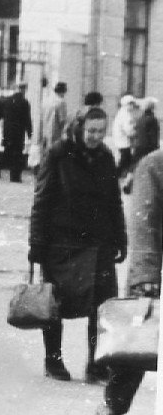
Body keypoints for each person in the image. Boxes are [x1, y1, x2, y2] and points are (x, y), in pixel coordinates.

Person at [28, 107, 126, 383]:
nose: (96, 136)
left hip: (98, 244)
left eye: (100, 131)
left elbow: (114, 202)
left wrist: (121, 238)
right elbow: (42, 200)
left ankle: (97, 365)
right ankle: (53, 360)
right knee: (55, 303)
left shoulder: (106, 157)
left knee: (102, 305)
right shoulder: (59, 154)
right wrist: (36, 243)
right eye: (91, 131)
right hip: (62, 244)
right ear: (79, 128)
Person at [110, 146, 163, 415]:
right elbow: (143, 222)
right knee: (138, 346)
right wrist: (145, 275)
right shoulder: (155, 165)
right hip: (154, 270)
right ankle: (112, 408)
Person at [0, 82, 34, 182]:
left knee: (8, 151)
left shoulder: (7, 101)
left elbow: (3, 115)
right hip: (19, 131)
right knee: (17, 153)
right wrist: (29, 132)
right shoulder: (25, 102)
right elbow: (27, 118)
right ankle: (15, 176)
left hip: (8, 130)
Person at [38, 82, 69, 166]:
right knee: (53, 155)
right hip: (54, 132)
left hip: (44, 131)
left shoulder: (46, 100)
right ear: (63, 91)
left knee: (44, 154)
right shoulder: (61, 102)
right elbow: (62, 120)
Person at [112, 94, 138, 177]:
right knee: (125, 159)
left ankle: (122, 174)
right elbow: (128, 129)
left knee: (126, 158)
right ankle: (116, 174)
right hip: (123, 140)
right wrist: (135, 133)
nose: (132, 106)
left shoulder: (122, 113)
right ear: (126, 104)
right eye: (131, 104)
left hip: (121, 139)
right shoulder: (125, 114)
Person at [133, 98, 159, 169]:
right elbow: (153, 135)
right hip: (148, 147)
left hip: (139, 145)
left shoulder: (140, 118)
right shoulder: (152, 119)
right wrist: (156, 147)